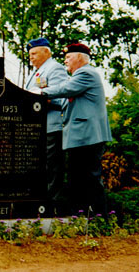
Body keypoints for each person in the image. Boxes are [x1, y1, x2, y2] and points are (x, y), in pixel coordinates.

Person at [39, 43, 112, 216]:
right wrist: (48, 101)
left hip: (88, 136)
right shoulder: (78, 80)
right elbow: (64, 103)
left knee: (90, 178)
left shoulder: (86, 73)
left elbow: (64, 89)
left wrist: (41, 93)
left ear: (79, 57)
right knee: (77, 179)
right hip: (80, 137)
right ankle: (82, 215)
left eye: (68, 58)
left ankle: (98, 218)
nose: (66, 62)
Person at [25, 38, 68, 215]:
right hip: (37, 129)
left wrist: (38, 98)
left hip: (52, 127)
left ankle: (53, 207)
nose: (31, 58)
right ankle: (40, 205)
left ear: (46, 52)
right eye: (30, 55)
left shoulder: (55, 68)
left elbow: (62, 95)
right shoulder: (35, 72)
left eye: (34, 53)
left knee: (52, 169)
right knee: (40, 169)